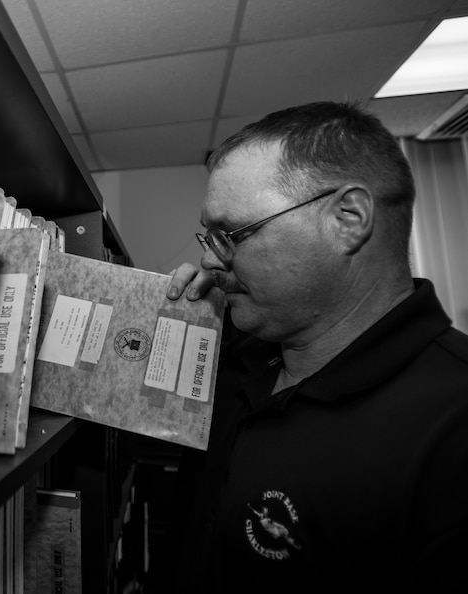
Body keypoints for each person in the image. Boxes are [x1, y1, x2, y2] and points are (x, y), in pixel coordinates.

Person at [161, 101, 468, 592]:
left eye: (231, 234)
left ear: (348, 218)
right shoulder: (238, 351)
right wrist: (179, 323)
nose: (207, 258)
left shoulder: (452, 427)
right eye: (209, 236)